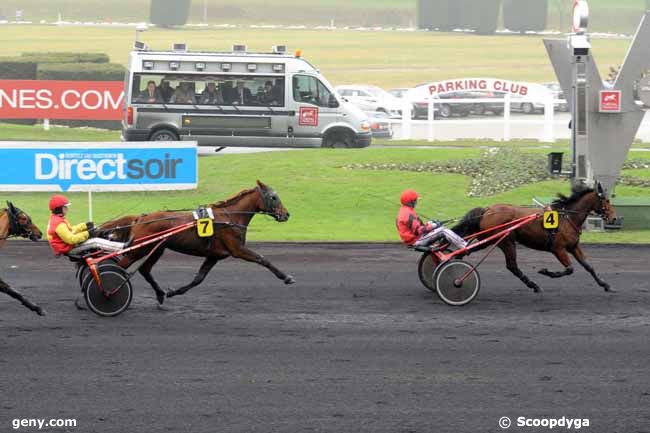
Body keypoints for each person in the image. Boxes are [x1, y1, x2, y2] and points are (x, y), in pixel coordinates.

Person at [47, 195, 127, 257]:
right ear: (59, 208)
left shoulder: (57, 219)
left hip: (69, 246)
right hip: (70, 248)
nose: (67, 208)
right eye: (65, 207)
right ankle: (123, 247)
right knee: (95, 241)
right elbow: (71, 239)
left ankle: (113, 240)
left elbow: (71, 231)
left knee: (96, 229)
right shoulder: (59, 224)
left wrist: (84, 226)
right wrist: (87, 233)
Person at [396, 189, 467, 250]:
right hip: (416, 240)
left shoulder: (404, 211)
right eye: (415, 201)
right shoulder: (408, 214)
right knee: (443, 230)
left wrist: (430, 223)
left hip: (414, 239)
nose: (416, 202)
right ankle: (464, 246)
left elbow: (418, 227)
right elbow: (419, 230)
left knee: (439, 228)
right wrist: (434, 225)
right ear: (411, 202)